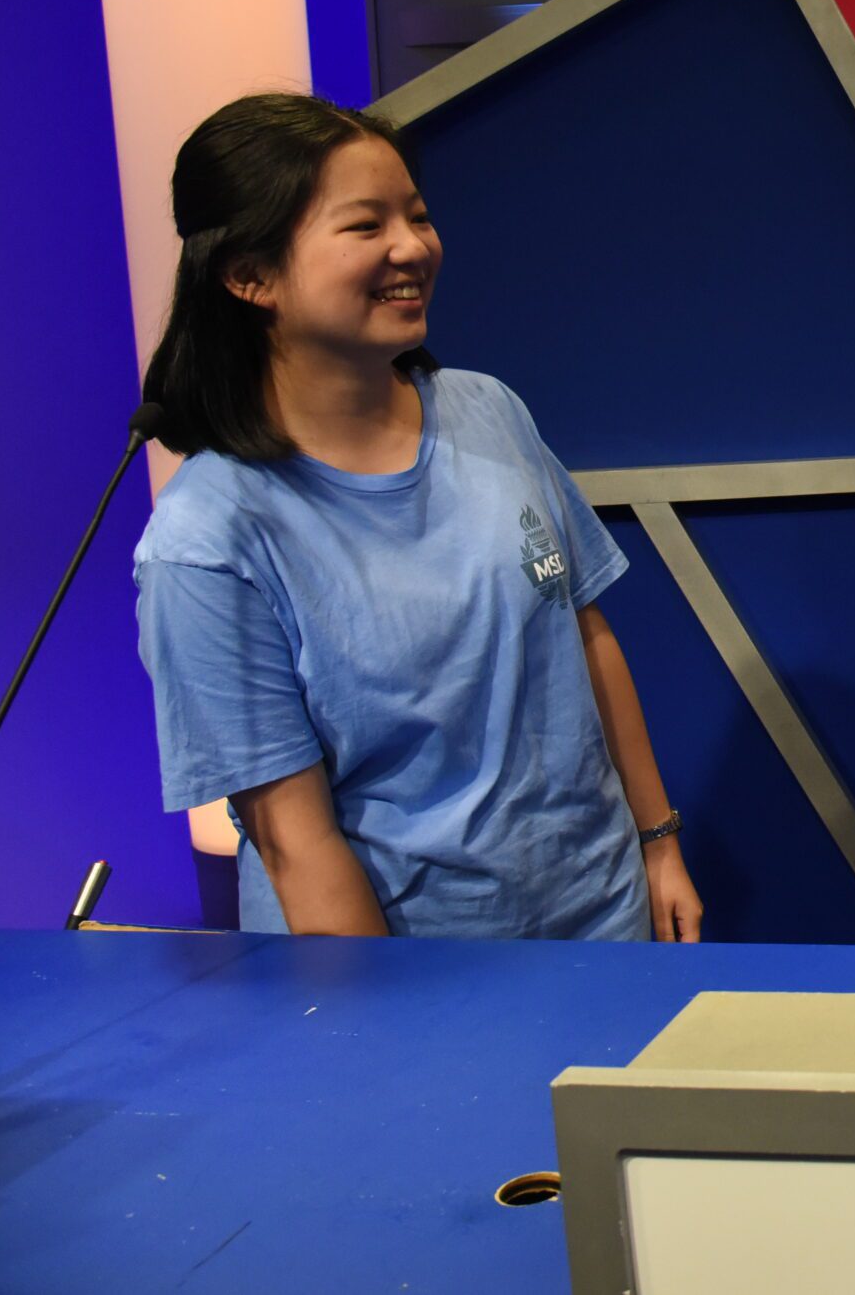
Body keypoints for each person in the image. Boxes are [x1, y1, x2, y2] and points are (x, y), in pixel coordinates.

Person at [134, 93, 701, 941]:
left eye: (419, 215)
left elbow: (586, 637)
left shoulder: (488, 409)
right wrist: (390, 1020)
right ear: (249, 275)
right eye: (366, 225)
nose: (413, 247)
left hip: (602, 923)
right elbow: (296, 843)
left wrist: (658, 842)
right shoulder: (208, 540)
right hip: (410, 967)